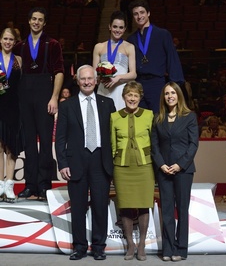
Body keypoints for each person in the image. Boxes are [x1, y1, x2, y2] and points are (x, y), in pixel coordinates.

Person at [55, 65, 115, 261]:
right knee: (78, 207)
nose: (87, 82)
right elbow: (60, 138)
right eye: (83, 79)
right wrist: (62, 163)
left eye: (90, 78)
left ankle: (99, 246)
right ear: (77, 81)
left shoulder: (108, 103)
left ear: (96, 80)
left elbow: (114, 136)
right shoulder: (66, 106)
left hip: (101, 161)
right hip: (76, 162)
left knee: (100, 206)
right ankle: (79, 247)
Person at [13, 7, 64, 199]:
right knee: (29, 143)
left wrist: (54, 97)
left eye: (40, 20)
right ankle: (30, 184)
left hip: (44, 94)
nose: (36, 22)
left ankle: (44, 184)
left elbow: (59, 71)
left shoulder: (52, 44)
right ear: (28, 21)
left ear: (44, 23)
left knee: (44, 141)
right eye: (33, 19)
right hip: (24, 96)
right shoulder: (20, 46)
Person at [151, 82, 199, 262]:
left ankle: (181, 248)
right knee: (168, 211)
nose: (170, 96)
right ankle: (168, 248)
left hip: (183, 170)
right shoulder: (158, 118)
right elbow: (154, 146)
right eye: (166, 93)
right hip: (164, 170)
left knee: (182, 210)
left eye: (173, 93)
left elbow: (193, 144)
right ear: (163, 97)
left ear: (178, 95)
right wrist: (161, 164)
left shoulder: (189, 117)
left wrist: (180, 165)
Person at [111, 81, 154, 261]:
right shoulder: (114, 117)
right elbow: (112, 143)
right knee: (125, 205)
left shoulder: (149, 115)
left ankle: (142, 244)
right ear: (124, 97)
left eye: (136, 95)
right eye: (129, 95)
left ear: (140, 97)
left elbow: (155, 141)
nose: (132, 98)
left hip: (144, 165)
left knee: (144, 204)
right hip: (121, 167)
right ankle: (130, 244)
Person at [127, 0, 184, 113]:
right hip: (139, 84)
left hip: (157, 83)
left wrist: (174, 85)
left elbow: (172, 60)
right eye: (135, 14)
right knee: (141, 121)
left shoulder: (163, 34)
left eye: (142, 12)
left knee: (159, 120)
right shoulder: (131, 39)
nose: (139, 16)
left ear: (148, 13)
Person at [93, 10, 136, 111]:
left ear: (125, 29)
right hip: (104, 89)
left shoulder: (129, 47)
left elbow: (133, 74)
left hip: (120, 89)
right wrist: (100, 77)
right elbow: (95, 73)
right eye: (115, 26)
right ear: (109, 26)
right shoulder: (99, 47)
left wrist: (118, 78)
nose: (118, 30)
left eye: (121, 27)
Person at [0, 28, 23, 202]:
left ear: (14, 42)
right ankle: (0, 184)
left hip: (14, 107)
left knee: (11, 148)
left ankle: (9, 185)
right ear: (0, 40)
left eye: (11, 39)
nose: (8, 42)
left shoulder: (19, 61)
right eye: (5, 38)